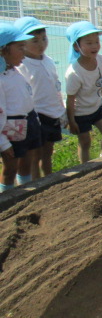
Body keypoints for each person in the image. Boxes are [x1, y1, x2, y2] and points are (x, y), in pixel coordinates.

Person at [15, 17, 66, 178]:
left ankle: (49, 180)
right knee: (34, 155)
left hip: (52, 113)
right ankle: (36, 185)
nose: (41, 44)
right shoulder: (22, 66)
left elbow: (55, 87)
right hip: (36, 115)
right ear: (22, 43)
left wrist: (61, 109)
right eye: (35, 41)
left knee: (48, 152)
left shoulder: (49, 61)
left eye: (44, 39)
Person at [65, 21, 102, 163]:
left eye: (96, 42)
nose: (95, 46)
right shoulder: (74, 73)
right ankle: (85, 169)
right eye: (89, 43)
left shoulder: (101, 60)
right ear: (76, 46)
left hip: (96, 107)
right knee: (85, 142)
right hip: (80, 113)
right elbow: (70, 99)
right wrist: (71, 120)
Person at [0, 24, 41, 192]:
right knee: (10, 168)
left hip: (28, 121)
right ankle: (7, 200)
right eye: (19, 47)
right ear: (3, 50)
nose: (24, 51)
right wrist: (3, 143)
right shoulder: (1, 79)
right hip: (10, 129)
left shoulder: (17, 70)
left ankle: (25, 195)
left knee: (27, 162)